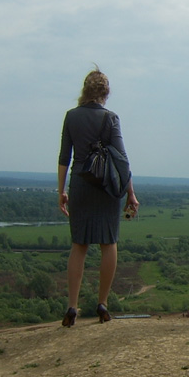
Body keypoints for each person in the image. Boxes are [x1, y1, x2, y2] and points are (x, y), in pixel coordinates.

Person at [57, 68, 140, 327]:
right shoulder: (111, 118)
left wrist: (61, 191)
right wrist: (131, 194)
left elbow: (64, 158)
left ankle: (72, 305)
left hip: (80, 184)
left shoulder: (71, 117)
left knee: (79, 245)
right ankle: (102, 302)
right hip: (107, 187)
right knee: (108, 242)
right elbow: (121, 160)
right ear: (106, 93)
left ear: (85, 90)